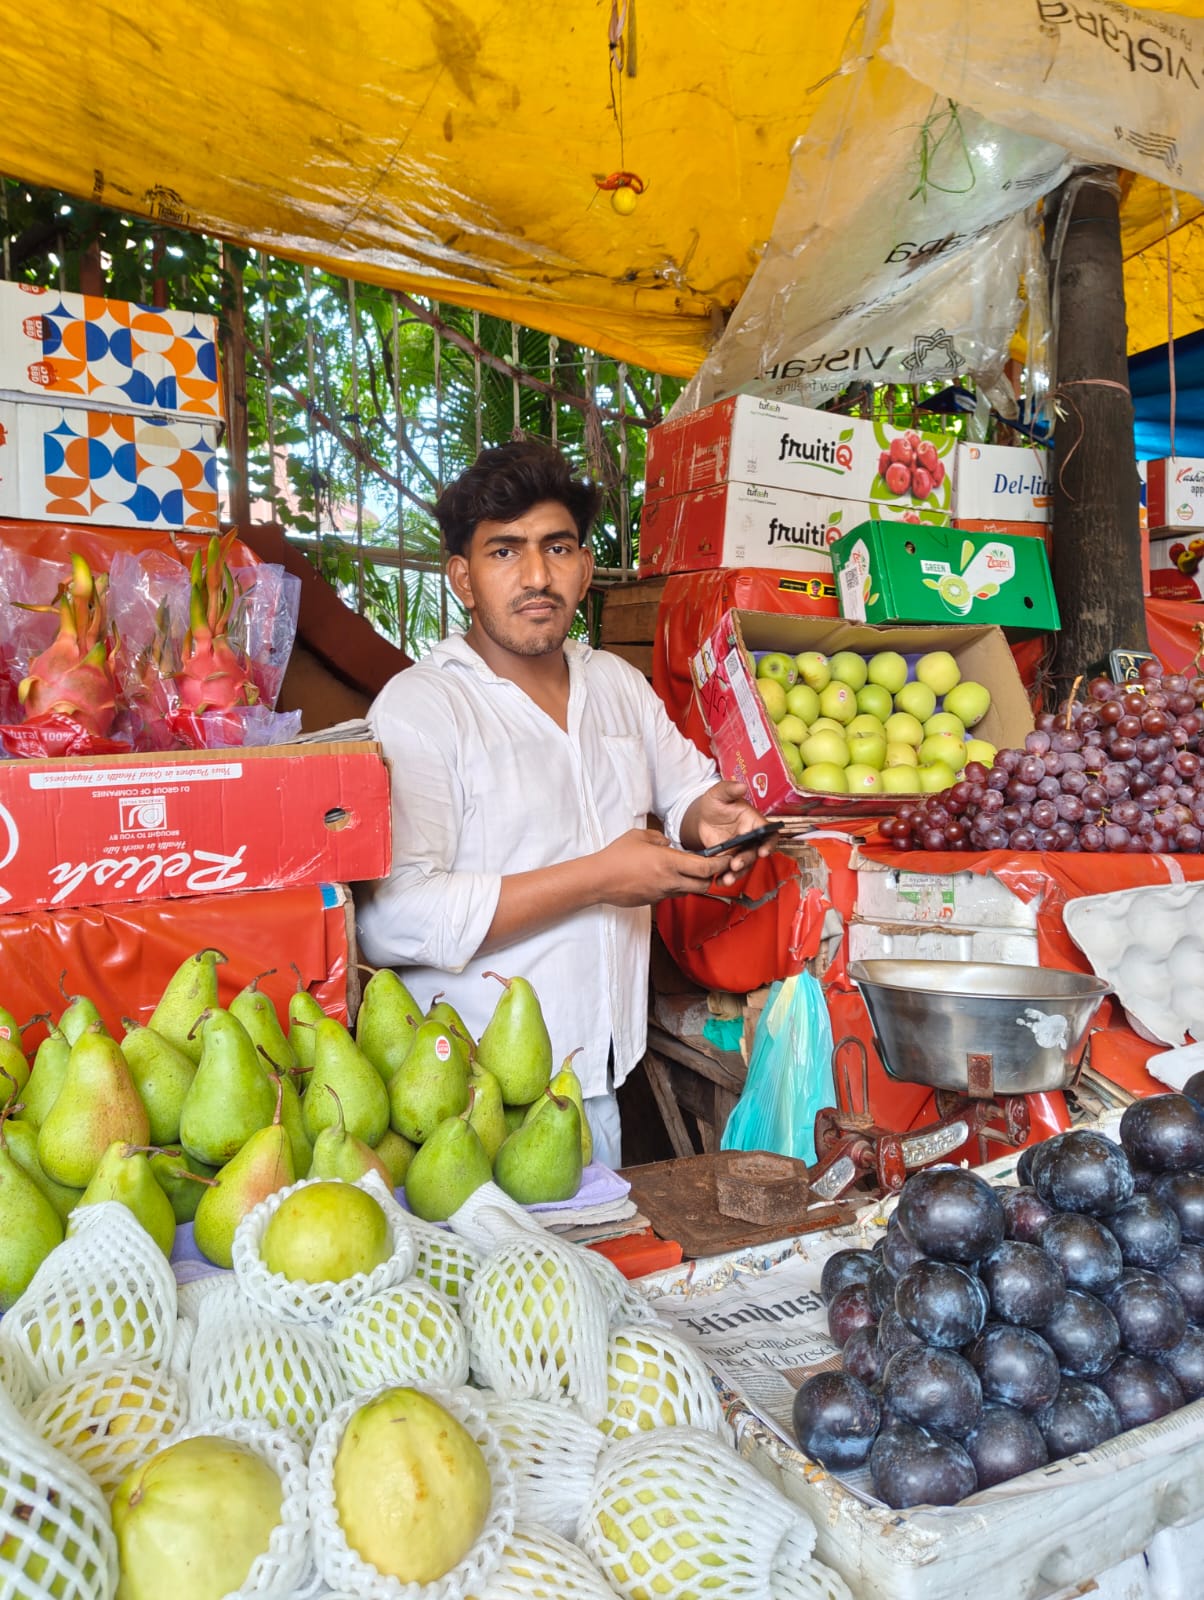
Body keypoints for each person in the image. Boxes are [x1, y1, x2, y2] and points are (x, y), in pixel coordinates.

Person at [356, 440, 774, 1167]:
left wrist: (716, 820)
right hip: (466, 1097)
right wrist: (599, 878)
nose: (537, 576)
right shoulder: (422, 707)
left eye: (557, 547)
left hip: (597, 1074)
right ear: (462, 577)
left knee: (593, 1272)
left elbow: (684, 791)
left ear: (584, 565)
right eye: (504, 552)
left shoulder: (613, 680)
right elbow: (392, 920)